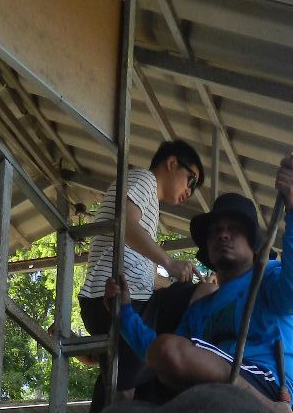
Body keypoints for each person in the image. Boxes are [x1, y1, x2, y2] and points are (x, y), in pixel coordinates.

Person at [107, 153, 293, 413]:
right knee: (162, 361)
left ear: (254, 245)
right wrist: (124, 314)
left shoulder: (268, 277)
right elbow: (161, 352)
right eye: (215, 231)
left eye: (234, 229)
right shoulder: (200, 309)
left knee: (169, 351)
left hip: (265, 379)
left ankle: (270, 409)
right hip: (210, 393)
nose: (222, 234)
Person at [77, 138, 205, 393]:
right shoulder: (143, 180)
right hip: (114, 297)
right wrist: (169, 263)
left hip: (122, 299)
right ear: (171, 163)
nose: (190, 192)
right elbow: (125, 224)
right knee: (203, 297)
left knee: (147, 381)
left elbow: (143, 267)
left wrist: (173, 279)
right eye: (191, 180)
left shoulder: (149, 207)